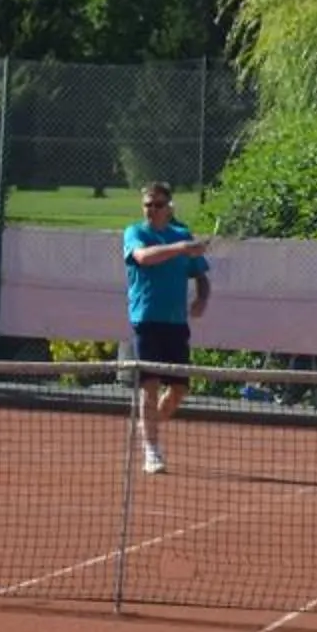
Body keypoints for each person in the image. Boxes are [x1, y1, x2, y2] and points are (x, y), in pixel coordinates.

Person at [121, 181, 212, 475]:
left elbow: (200, 275)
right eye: (148, 204)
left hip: (176, 323)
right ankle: (152, 450)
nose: (152, 210)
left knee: (179, 389)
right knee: (149, 385)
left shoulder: (182, 235)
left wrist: (202, 298)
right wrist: (182, 248)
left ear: (169, 207)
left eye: (158, 205)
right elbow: (144, 258)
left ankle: (148, 426)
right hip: (146, 319)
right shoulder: (135, 233)